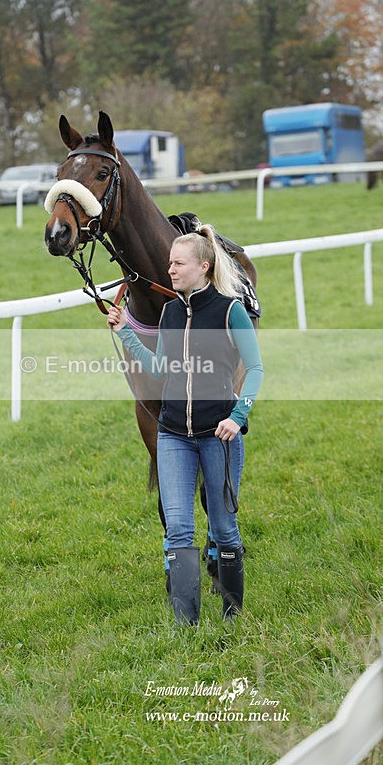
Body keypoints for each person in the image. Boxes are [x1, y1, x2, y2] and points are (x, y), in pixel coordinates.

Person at [107, 226, 263, 626]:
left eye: (178, 264)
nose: (170, 270)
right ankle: (185, 625)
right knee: (177, 528)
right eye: (170, 263)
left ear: (203, 267)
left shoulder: (231, 312)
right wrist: (125, 329)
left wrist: (238, 416)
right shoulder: (171, 312)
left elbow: (257, 369)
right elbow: (160, 367)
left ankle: (232, 618)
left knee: (224, 529)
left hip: (219, 436)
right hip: (174, 436)